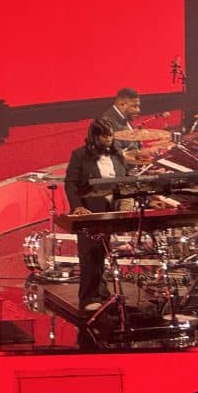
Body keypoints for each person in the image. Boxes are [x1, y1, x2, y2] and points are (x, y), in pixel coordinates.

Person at [65, 119, 128, 310]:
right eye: (104, 135)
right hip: (89, 210)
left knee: (103, 253)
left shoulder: (117, 155)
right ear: (95, 136)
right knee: (89, 255)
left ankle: (102, 292)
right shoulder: (80, 155)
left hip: (111, 210)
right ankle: (87, 298)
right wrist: (77, 207)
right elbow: (71, 183)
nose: (109, 139)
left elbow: (124, 179)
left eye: (111, 135)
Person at [101, 88, 141, 152]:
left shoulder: (124, 116)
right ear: (122, 104)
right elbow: (113, 153)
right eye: (134, 106)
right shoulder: (105, 122)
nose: (138, 110)